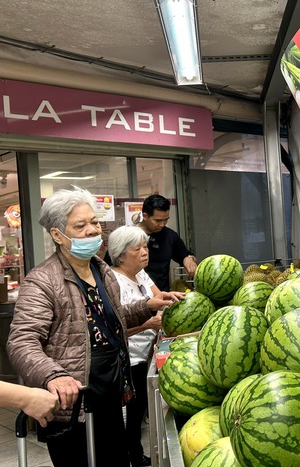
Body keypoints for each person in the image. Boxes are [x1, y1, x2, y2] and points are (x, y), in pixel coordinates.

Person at [6, 186, 178, 467]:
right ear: (57, 235)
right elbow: (21, 342)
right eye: (80, 225)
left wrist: (147, 306)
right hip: (74, 405)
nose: (92, 230)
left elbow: (110, 318)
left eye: (95, 222)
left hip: (110, 396)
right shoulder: (42, 281)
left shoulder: (101, 270)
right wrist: (53, 376)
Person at [108, 225, 178, 467]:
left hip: (147, 353)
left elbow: (158, 299)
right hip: (130, 358)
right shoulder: (113, 282)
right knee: (132, 413)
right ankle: (132, 457)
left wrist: (174, 299)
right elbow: (114, 328)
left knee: (139, 412)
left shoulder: (141, 275)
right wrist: (147, 324)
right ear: (120, 254)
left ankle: (136, 454)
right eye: (137, 248)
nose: (144, 252)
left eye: (145, 246)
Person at [137, 194, 198, 291]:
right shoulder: (128, 237)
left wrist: (189, 259)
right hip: (135, 297)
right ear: (145, 216)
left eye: (166, 220)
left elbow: (186, 255)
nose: (162, 224)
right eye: (158, 220)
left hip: (162, 297)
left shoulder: (170, 236)